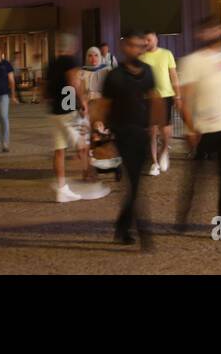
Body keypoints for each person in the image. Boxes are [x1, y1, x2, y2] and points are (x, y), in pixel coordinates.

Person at [176, 24, 221, 241]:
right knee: (197, 177)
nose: (214, 36)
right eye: (210, 31)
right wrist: (189, 127)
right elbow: (185, 97)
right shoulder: (192, 61)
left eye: (217, 31)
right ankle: (184, 215)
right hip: (203, 128)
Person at [96, 32, 163, 245]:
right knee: (134, 180)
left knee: (135, 182)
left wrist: (157, 124)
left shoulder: (148, 73)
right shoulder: (115, 76)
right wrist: (97, 128)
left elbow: (154, 98)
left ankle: (122, 226)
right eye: (133, 46)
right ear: (125, 47)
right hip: (123, 132)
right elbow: (104, 104)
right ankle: (141, 230)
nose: (138, 50)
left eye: (141, 46)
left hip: (142, 132)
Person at [44, 44, 99, 203]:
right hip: (67, 109)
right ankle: (91, 182)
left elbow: (44, 87)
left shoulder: (52, 63)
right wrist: (82, 101)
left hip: (55, 111)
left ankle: (62, 189)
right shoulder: (69, 60)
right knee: (82, 144)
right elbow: (73, 82)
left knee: (59, 150)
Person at [139, 30, 180, 176]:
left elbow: (173, 75)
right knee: (151, 131)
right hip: (148, 98)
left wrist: (177, 95)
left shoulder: (167, 54)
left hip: (166, 95)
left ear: (156, 39)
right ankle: (154, 162)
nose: (147, 42)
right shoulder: (141, 57)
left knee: (166, 131)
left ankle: (164, 151)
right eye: (145, 40)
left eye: (150, 39)